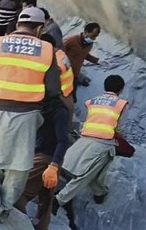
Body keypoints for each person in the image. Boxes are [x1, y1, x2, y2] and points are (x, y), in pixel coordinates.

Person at [0, 7, 61, 224]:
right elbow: (53, 89)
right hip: (26, 115)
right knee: (18, 165)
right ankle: (4, 206)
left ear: (18, 24)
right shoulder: (47, 50)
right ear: (39, 28)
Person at [54, 75, 128, 214]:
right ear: (121, 89)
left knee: (94, 168)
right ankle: (59, 200)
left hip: (86, 138)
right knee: (86, 174)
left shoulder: (93, 101)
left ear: (105, 87)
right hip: (104, 142)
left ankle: (99, 192)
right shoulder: (121, 104)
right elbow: (120, 128)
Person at [14, 96, 69, 230]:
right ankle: (41, 226)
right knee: (46, 193)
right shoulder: (40, 105)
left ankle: (21, 225)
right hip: (40, 151)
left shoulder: (59, 112)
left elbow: (63, 140)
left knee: (19, 189)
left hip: (47, 156)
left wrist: (54, 164)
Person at [63, 22, 101, 102]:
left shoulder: (89, 44)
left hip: (75, 74)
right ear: (86, 32)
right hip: (65, 74)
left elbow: (84, 55)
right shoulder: (71, 40)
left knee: (73, 96)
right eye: (93, 36)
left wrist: (97, 61)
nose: (94, 39)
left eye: (96, 37)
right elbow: (59, 51)